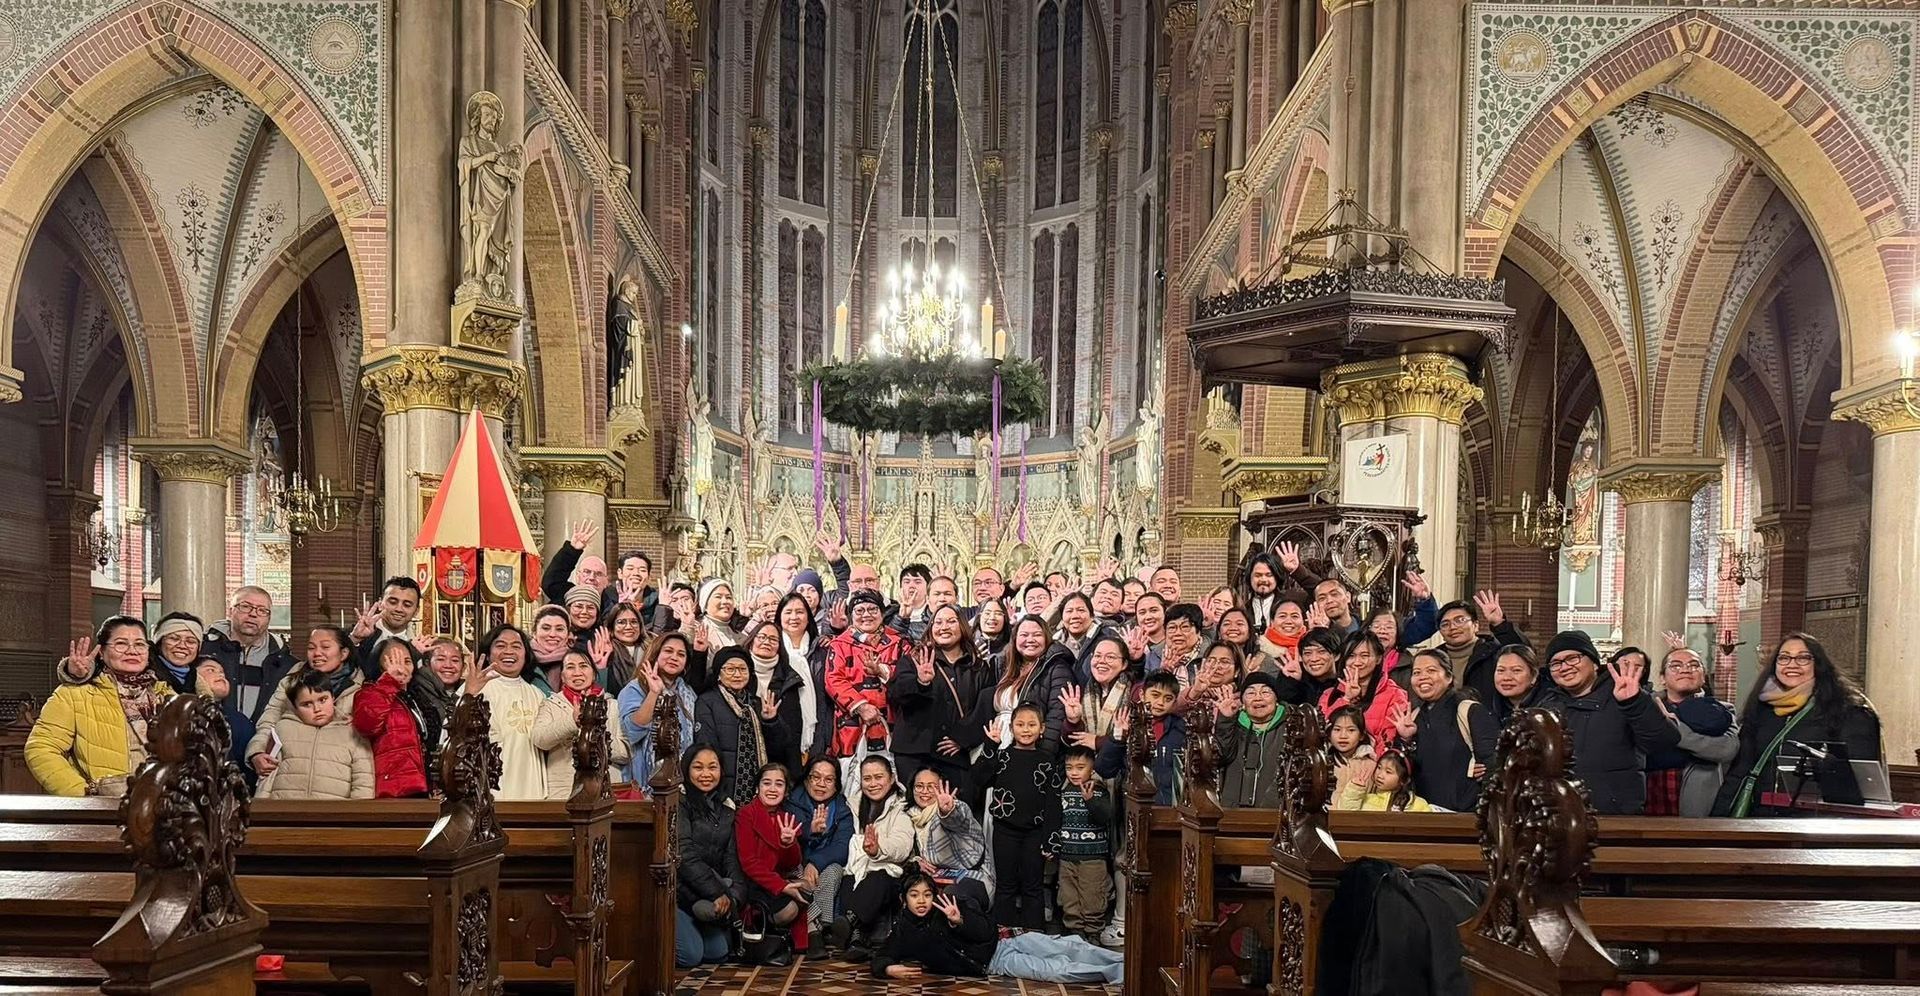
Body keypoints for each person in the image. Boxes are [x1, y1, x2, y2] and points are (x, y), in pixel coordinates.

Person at [1713, 632, 1882, 818]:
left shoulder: (1848, 711)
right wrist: (1717, 822)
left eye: (1803, 658)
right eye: (1784, 658)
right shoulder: (1762, 709)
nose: (1792, 664)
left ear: (1818, 664)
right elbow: (1739, 772)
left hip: (1813, 823)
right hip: (1759, 818)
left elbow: (1862, 780)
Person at [872, 874, 1123, 984]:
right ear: (904, 900)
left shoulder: (950, 905)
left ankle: (1125, 964)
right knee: (1057, 970)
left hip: (1005, 939)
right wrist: (888, 968)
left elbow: (985, 930)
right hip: (995, 964)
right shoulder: (904, 931)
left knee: (1069, 947)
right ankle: (1114, 973)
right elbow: (881, 955)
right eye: (914, 895)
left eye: (927, 894)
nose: (922, 900)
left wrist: (958, 921)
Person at [28, 618, 174, 796]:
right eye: (121, 644)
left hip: (165, 806)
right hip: (106, 808)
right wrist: (83, 794)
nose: (132, 651)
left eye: (140, 644)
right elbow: (41, 748)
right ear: (102, 652)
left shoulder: (166, 695)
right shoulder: (74, 694)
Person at [1544, 630, 1680, 815]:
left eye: (1573, 658)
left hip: (1615, 814)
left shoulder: (1626, 695)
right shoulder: (1548, 707)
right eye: (1556, 663)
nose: (1565, 667)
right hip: (1560, 814)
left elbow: (1663, 742)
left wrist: (1635, 703)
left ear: (1593, 662)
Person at [970, 703, 1058, 931]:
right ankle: (1003, 933)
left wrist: (1051, 838)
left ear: (1042, 729)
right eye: (1020, 724)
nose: (1026, 730)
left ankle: (1034, 933)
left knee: (1033, 885)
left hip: (1035, 832)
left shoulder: (1047, 761)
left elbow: (1053, 803)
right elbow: (978, 778)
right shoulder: (1001, 757)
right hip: (1005, 830)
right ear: (1012, 727)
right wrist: (990, 745)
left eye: (1031, 725)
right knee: (1006, 884)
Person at [892, 605, 991, 791]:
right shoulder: (914, 658)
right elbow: (897, 694)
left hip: (955, 754)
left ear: (962, 626)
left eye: (951, 621)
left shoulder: (978, 667)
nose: (943, 627)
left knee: (954, 813)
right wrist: (921, 682)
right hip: (914, 753)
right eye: (938, 622)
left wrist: (963, 738)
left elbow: (984, 707)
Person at [245, 626, 363, 779]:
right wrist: (257, 751)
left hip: (335, 776)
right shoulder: (291, 682)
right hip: (291, 773)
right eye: (311, 648)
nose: (317, 653)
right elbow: (269, 719)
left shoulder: (359, 687)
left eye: (325, 647)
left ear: (344, 653)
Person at [1389, 649, 1498, 813]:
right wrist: (1405, 739)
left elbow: (1493, 764)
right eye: (1416, 672)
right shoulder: (1414, 717)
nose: (1423, 676)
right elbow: (1402, 770)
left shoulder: (1469, 710)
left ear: (1449, 677)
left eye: (1431, 670)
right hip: (1423, 814)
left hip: (1467, 816)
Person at [1644, 642, 1738, 817]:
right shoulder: (1647, 708)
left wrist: (1671, 730)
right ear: (1662, 678)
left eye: (1694, 665)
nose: (1685, 670)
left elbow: (1725, 750)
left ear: (1703, 676)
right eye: (1676, 666)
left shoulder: (1722, 710)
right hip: (1650, 799)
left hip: (1699, 808)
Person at [839, 755, 916, 961]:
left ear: (891, 778)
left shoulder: (901, 807)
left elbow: (903, 845)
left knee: (878, 879)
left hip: (889, 872)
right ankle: (856, 939)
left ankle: (849, 920)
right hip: (857, 868)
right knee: (846, 879)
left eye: (878, 777)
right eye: (867, 778)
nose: (873, 784)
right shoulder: (852, 805)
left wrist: (877, 849)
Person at [257, 669, 375, 800]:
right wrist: (261, 813)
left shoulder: (352, 732)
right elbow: (267, 778)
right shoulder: (283, 729)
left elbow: (363, 781)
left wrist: (356, 817)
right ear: (295, 707)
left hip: (335, 815)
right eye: (307, 704)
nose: (317, 709)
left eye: (323, 700)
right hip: (285, 813)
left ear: (333, 698)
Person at [465, 623, 551, 800]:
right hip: (487, 788)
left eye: (516, 646)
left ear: (526, 655)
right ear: (487, 655)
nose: (509, 652)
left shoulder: (537, 694)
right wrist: (469, 696)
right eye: (501, 645)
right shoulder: (474, 688)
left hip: (530, 785)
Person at [532, 649, 632, 799]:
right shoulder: (551, 704)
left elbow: (625, 752)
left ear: (594, 674)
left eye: (584, 666)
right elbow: (539, 739)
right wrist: (572, 721)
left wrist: (594, 731)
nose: (577, 672)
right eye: (570, 667)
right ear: (563, 677)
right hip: (564, 791)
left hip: (606, 789)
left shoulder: (612, 705)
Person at [825, 592, 904, 780]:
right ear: (851, 615)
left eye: (872, 609)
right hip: (852, 728)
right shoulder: (839, 644)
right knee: (853, 783)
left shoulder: (899, 642)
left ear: (882, 613)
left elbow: (906, 676)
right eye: (859, 610)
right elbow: (833, 679)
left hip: (891, 725)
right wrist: (861, 706)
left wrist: (882, 671)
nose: (866, 615)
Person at [734, 763, 812, 952]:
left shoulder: (786, 818)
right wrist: (782, 886)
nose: (772, 789)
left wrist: (788, 843)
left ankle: (811, 934)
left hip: (777, 879)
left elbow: (792, 863)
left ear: (785, 790)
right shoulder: (746, 815)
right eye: (766, 783)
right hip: (754, 883)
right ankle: (761, 929)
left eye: (779, 784)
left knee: (809, 885)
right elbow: (749, 863)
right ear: (757, 787)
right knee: (789, 909)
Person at [968, 615, 1072, 755]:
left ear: (1047, 638)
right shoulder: (1006, 666)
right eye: (1024, 635)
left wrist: (1041, 756)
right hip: (996, 744)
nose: (1030, 640)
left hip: (1030, 750)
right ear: (1015, 639)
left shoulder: (1058, 667)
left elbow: (1056, 717)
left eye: (1037, 635)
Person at [352, 637, 440, 798]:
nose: (401, 667)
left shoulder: (417, 698)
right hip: (393, 790)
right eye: (393, 661)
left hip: (424, 787)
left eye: (407, 661)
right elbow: (367, 725)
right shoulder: (369, 693)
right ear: (379, 665)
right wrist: (389, 682)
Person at [676, 746, 739, 968]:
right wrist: (717, 892)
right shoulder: (678, 802)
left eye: (712, 767)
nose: (705, 774)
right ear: (686, 769)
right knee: (690, 956)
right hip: (678, 894)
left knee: (719, 953)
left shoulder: (726, 807)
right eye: (698, 767)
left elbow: (732, 859)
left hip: (708, 896)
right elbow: (684, 855)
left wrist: (731, 899)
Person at [694, 647, 783, 805]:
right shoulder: (707, 701)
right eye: (730, 669)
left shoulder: (756, 703)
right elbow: (706, 746)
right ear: (718, 674)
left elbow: (778, 749)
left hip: (755, 789)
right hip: (722, 792)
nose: (737, 674)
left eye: (742, 669)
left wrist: (771, 722)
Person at [787, 758, 855, 957]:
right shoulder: (792, 801)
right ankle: (815, 930)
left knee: (832, 871)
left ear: (836, 785)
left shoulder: (842, 807)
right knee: (798, 876)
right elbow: (786, 842)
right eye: (816, 777)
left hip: (823, 863)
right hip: (794, 861)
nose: (821, 784)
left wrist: (816, 863)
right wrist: (809, 830)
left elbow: (843, 846)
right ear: (807, 779)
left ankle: (819, 927)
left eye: (828, 779)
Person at [202, 586, 299, 725]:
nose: (253, 614)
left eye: (262, 610)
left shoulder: (285, 663)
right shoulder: (206, 650)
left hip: (261, 740)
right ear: (230, 611)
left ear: (269, 618)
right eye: (245, 606)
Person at [1047, 744, 1113, 943]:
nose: (1074, 772)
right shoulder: (1063, 790)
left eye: (1080, 767)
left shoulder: (1098, 790)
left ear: (1091, 769)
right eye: (1069, 768)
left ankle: (1092, 932)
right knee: (1069, 896)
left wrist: (1091, 800)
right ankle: (1074, 931)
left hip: (1093, 856)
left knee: (1093, 895)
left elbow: (1105, 816)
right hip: (1068, 854)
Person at [906, 768, 993, 909]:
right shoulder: (911, 816)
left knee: (948, 898)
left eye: (932, 786)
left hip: (970, 880)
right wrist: (915, 862)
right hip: (933, 883)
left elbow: (957, 819)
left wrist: (947, 811)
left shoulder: (956, 807)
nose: (925, 791)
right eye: (919, 786)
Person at [620, 631, 699, 788]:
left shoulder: (688, 692)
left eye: (681, 654)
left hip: (682, 777)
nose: (674, 657)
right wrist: (654, 693)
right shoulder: (635, 688)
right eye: (668, 651)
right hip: (646, 778)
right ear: (655, 654)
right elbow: (632, 731)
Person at [1094, 671, 1186, 804]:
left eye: (1168, 699)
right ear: (1142, 695)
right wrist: (1118, 738)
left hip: (1167, 809)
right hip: (1131, 807)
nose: (1160, 702)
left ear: (1174, 702)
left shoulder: (1179, 729)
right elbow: (1104, 769)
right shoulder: (1129, 724)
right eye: (1155, 695)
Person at [1317, 632, 1410, 748]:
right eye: (1351, 656)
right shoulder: (1328, 695)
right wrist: (1346, 699)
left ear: (1378, 658)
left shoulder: (1395, 695)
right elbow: (1321, 733)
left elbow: (1388, 741)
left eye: (1364, 656)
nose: (1357, 662)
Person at [1434, 591, 1528, 706]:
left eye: (1460, 620)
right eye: (1445, 624)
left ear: (1476, 625)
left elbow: (1525, 655)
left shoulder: (1493, 653)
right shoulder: (1434, 658)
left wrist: (1499, 624)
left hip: (1489, 719)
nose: (1453, 627)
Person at [1219, 672, 1289, 809]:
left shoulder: (1290, 728)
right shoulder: (1233, 724)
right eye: (1250, 693)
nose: (1258, 698)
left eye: (1265, 692)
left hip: (1275, 813)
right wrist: (1225, 720)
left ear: (1276, 700)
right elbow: (1221, 756)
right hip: (1232, 812)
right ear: (1243, 703)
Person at [348, 576, 422, 679]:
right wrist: (355, 639)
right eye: (393, 602)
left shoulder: (418, 646)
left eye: (407, 605)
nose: (399, 609)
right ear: (380, 603)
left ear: (416, 611)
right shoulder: (358, 635)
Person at [1488, 645, 1570, 727]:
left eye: (1516, 670)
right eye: (1501, 670)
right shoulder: (1489, 706)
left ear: (1534, 676)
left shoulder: (1552, 708)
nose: (1506, 677)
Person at [1335, 750, 1431, 812]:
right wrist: (1355, 790)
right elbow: (1345, 815)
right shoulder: (1366, 799)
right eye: (1379, 767)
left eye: (1388, 772)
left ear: (1404, 780)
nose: (1380, 775)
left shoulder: (1417, 805)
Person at [1325, 705, 1377, 812]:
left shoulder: (1372, 766)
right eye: (1337, 729)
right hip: (1325, 822)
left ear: (1361, 735)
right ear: (1329, 734)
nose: (1343, 735)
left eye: (1351, 730)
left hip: (1358, 823)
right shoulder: (1323, 763)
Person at [602, 602, 646, 694]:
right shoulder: (604, 651)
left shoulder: (651, 647)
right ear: (611, 627)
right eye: (621, 622)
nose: (629, 627)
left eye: (634, 622)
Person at [889, 563, 934, 641]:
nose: (911, 586)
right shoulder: (889, 615)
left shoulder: (935, 615)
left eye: (917, 582)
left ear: (928, 587)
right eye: (907, 582)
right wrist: (901, 618)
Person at [698, 578, 743, 651]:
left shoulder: (741, 637)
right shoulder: (696, 631)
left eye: (728, 597)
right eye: (718, 597)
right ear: (705, 604)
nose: (725, 601)